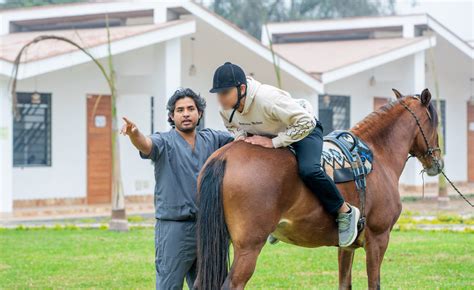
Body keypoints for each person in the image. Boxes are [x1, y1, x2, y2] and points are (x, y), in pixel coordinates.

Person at [210, 62, 360, 247]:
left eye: (225, 93)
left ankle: (344, 211)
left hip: (303, 131)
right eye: (218, 94)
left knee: (308, 170)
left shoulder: (268, 98)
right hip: (271, 133)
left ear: (242, 88)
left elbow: (305, 122)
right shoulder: (225, 109)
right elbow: (232, 126)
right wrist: (242, 137)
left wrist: (274, 142)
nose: (220, 99)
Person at [121, 88, 233, 289]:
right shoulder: (164, 141)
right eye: (180, 110)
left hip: (208, 229)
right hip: (174, 229)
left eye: (191, 108)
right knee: (169, 285)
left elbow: (241, 138)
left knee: (212, 285)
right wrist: (135, 134)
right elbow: (146, 145)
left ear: (199, 113)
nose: (186, 113)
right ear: (172, 116)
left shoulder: (214, 139)